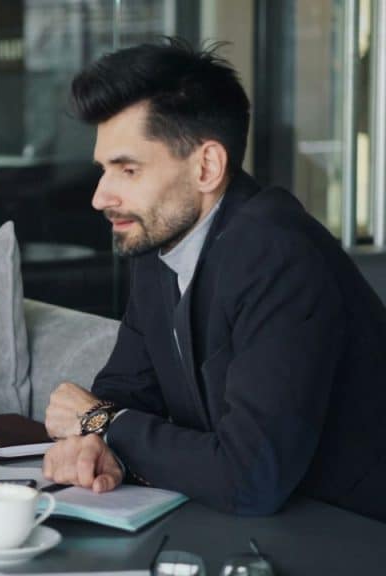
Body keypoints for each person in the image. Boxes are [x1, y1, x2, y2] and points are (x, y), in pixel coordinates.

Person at [42, 39, 386, 522]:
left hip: (355, 532)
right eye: (104, 170)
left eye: (128, 169)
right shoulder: (159, 241)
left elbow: (250, 478)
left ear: (206, 166)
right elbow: (125, 392)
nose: (101, 196)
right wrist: (96, 443)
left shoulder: (278, 256)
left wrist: (101, 422)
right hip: (263, 524)